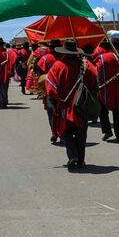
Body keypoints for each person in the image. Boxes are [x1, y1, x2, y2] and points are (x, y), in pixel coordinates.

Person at [45, 40, 98, 170]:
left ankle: (72, 154)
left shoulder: (58, 65)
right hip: (82, 105)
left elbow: (51, 87)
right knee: (81, 134)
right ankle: (80, 160)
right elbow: (94, 83)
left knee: (64, 131)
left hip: (65, 105)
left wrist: (56, 100)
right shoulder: (86, 65)